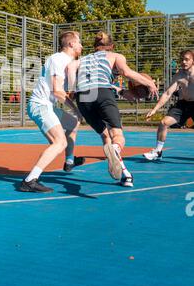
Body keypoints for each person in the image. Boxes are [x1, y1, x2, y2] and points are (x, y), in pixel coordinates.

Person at [67, 31, 158, 187]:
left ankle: (126, 175)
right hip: (102, 93)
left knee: (106, 136)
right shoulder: (116, 56)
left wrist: (72, 89)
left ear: (95, 47)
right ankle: (115, 149)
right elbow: (126, 72)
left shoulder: (83, 59)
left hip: (83, 98)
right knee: (117, 135)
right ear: (112, 46)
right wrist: (149, 83)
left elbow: (70, 67)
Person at [19, 31, 83, 193]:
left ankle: (69, 161)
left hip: (48, 105)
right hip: (40, 105)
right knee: (59, 142)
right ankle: (30, 180)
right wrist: (75, 109)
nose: (81, 45)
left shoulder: (67, 62)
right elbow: (57, 91)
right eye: (79, 42)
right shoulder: (58, 59)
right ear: (71, 44)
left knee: (73, 123)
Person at [144, 49, 194, 160]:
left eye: (187, 59)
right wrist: (155, 109)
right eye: (182, 59)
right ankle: (157, 152)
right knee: (163, 122)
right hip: (183, 105)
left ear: (193, 61)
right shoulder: (178, 76)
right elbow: (167, 93)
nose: (184, 62)